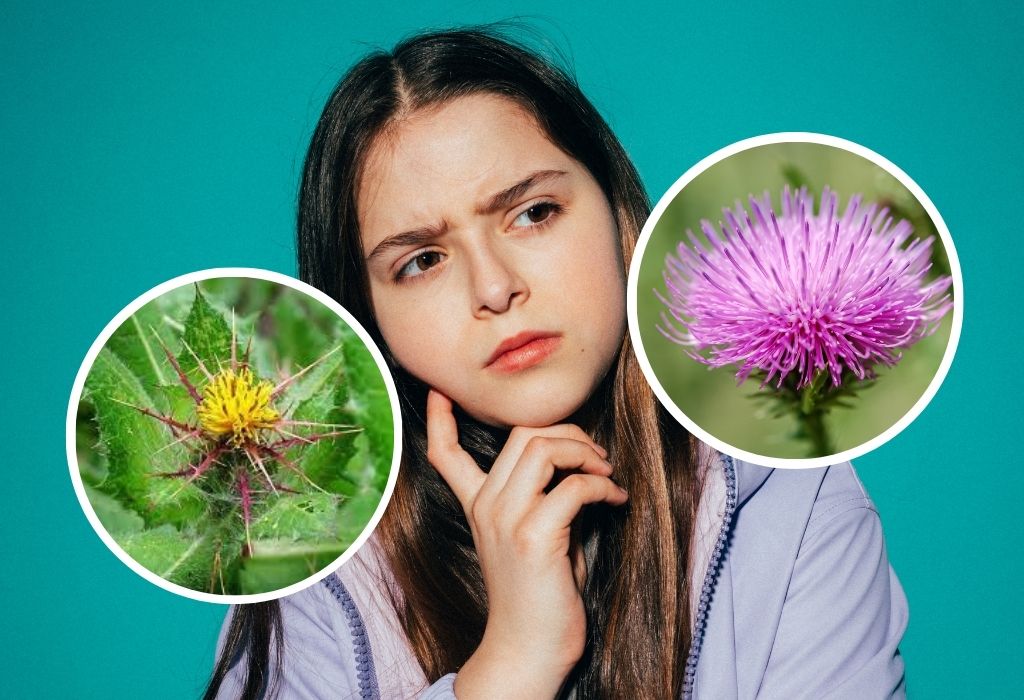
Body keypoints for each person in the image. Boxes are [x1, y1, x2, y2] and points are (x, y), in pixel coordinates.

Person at [206, 27, 907, 699]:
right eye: (422, 261)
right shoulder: (315, 576)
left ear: (618, 215)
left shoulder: (786, 500)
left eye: (534, 213)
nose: (494, 288)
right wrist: (514, 664)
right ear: (368, 318)